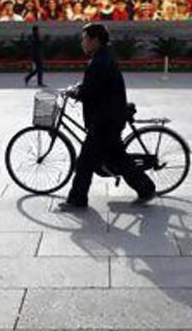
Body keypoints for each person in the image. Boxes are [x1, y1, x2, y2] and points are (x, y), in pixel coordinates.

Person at [57, 24, 156, 212]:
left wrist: (75, 92)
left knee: (85, 161)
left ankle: (77, 200)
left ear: (95, 40)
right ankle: (146, 189)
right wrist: (80, 88)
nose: (82, 42)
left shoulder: (99, 62)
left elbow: (91, 91)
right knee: (120, 159)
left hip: (104, 121)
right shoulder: (102, 57)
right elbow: (95, 85)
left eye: (84, 38)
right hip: (110, 118)